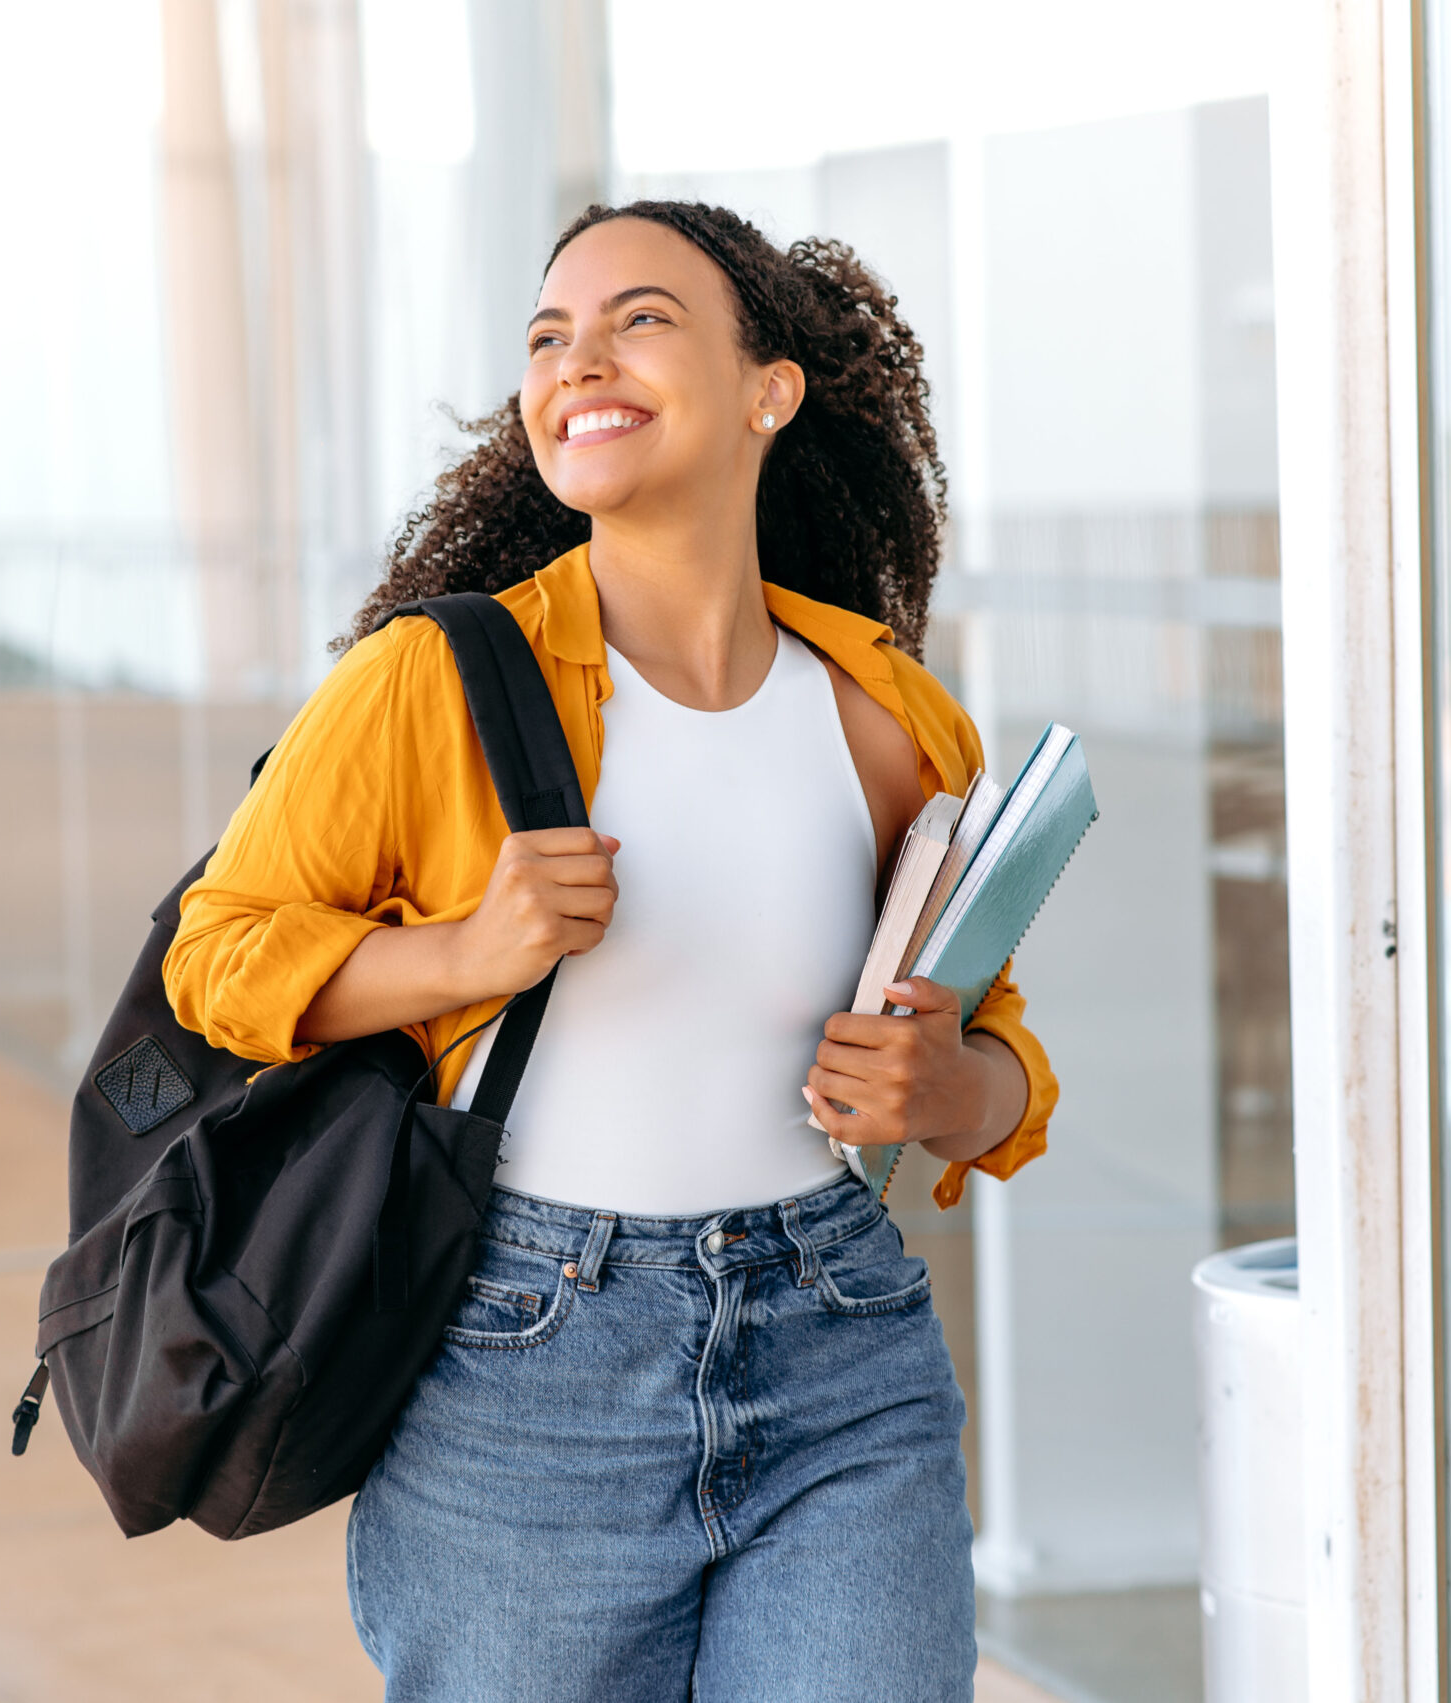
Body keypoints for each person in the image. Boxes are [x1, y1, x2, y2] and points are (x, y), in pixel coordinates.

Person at [164, 201, 1057, 1703]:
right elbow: (219, 958)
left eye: (640, 318)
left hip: (839, 1348)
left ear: (770, 389)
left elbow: (992, 1044)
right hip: (527, 1367)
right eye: (547, 336)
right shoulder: (427, 683)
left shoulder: (892, 713)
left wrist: (951, 1094)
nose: (582, 356)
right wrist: (463, 953)